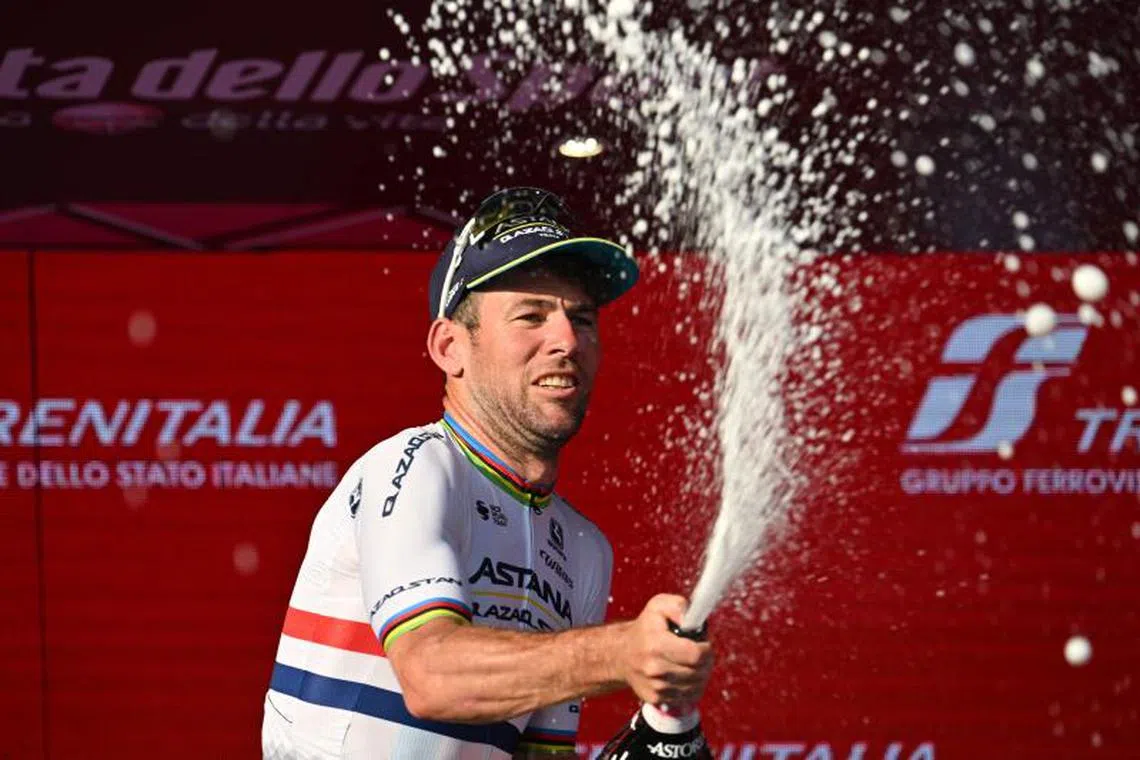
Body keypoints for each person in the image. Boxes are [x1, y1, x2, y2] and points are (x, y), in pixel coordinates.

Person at [262, 187, 715, 759]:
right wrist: (622, 652)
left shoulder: (584, 550)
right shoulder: (415, 466)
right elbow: (430, 675)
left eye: (581, 318)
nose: (567, 340)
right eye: (532, 315)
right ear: (450, 347)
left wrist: (658, 734)